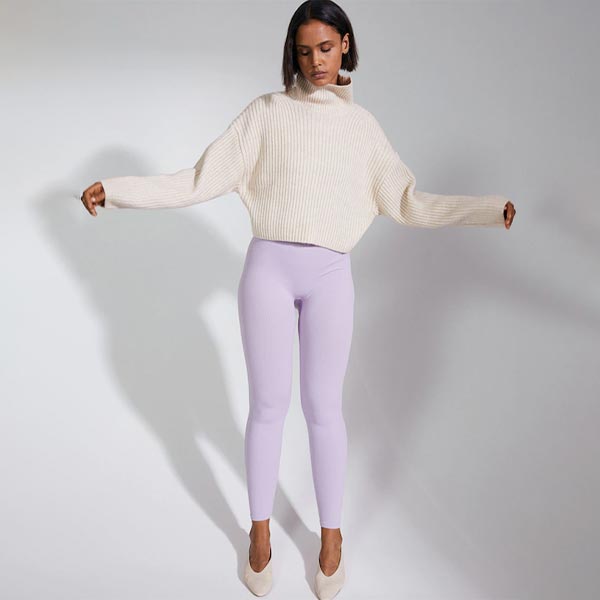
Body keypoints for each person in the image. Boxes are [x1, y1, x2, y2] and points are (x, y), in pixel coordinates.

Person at [80, 1, 516, 597]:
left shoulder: (362, 129)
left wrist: (487, 211)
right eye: (305, 51)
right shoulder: (265, 113)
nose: (316, 61)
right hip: (269, 269)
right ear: (293, 52)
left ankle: (331, 538)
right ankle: (259, 533)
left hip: (332, 274)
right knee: (267, 405)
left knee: (323, 408)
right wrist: (118, 191)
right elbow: (198, 179)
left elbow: (409, 202)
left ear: (345, 45)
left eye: (326, 48)